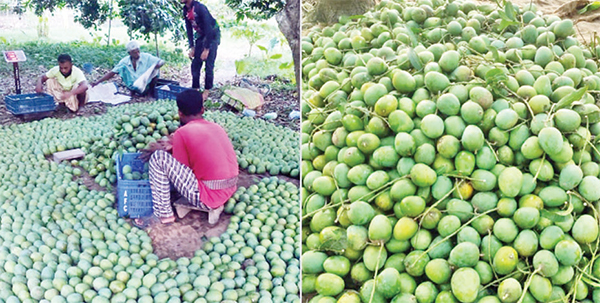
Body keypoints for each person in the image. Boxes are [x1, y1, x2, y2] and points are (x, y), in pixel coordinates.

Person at [136, 89, 239, 228]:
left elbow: (183, 168)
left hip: (209, 197)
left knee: (158, 158)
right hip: (230, 188)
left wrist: (162, 149)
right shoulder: (216, 127)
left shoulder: (182, 133)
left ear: (179, 113)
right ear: (202, 110)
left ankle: (163, 215)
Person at [92, 41, 165, 96]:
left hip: (146, 84)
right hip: (133, 84)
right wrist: (98, 82)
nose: (137, 54)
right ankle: (133, 92)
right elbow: (112, 73)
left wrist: (157, 65)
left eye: (138, 51)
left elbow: (161, 61)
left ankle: (150, 93)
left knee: (155, 70)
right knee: (122, 69)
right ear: (129, 53)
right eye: (134, 52)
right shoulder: (125, 62)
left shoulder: (147, 57)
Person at [182, 0, 221, 100]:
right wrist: (192, 47)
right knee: (195, 63)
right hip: (201, 34)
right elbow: (189, 29)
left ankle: (207, 90)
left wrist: (207, 49)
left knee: (209, 64)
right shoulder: (185, 10)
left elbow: (209, 28)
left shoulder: (200, 8)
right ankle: (195, 88)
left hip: (212, 34)